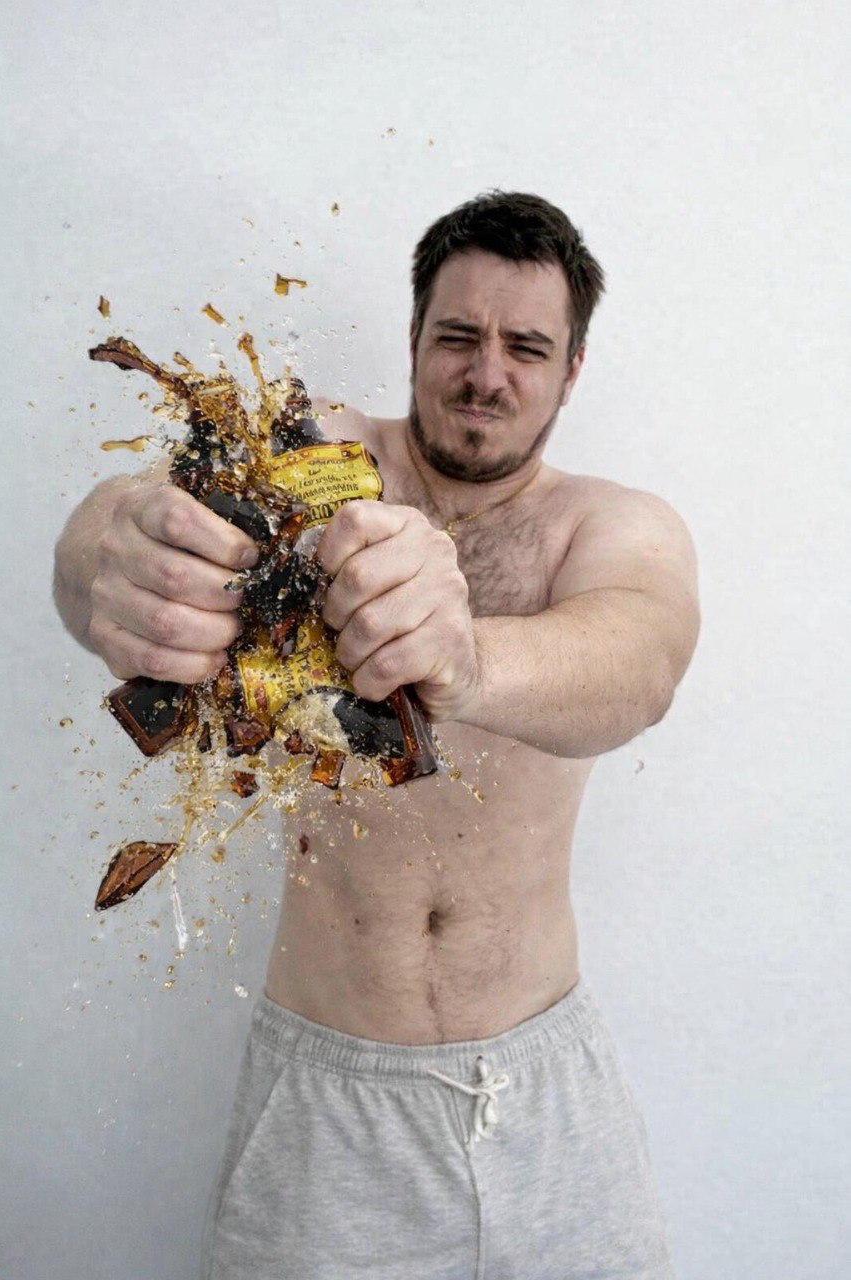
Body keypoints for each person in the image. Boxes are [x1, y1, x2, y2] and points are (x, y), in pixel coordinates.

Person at [53, 191, 700, 1279]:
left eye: (525, 348)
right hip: (327, 1093)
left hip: (546, 1093)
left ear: (571, 369)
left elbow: (640, 659)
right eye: (458, 335)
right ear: (412, 337)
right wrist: (106, 561)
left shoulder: (607, 522)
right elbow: (117, 524)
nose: (485, 373)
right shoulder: (317, 460)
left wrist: (468, 660)